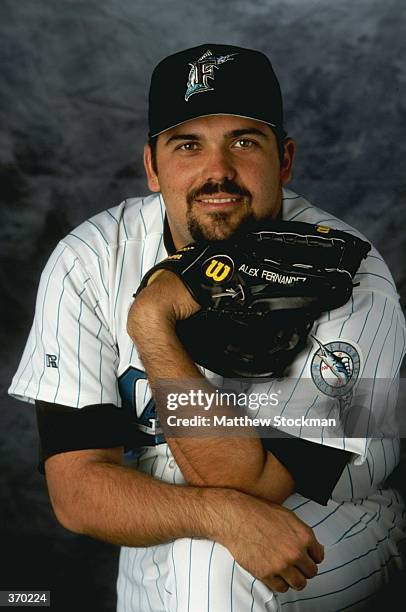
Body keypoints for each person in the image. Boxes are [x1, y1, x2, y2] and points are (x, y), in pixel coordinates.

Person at [9, 44, 405, 612]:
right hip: (166, 514)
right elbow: (76, 492)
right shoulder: (91, 259)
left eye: (244, 142)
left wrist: (152, 322)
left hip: (336, 516)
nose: (217, 170)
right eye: (187, 145)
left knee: (215, 573)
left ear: (284, 160)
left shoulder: (354, 274)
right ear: (152, 166)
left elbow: (257, 483)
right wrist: (217, 514)